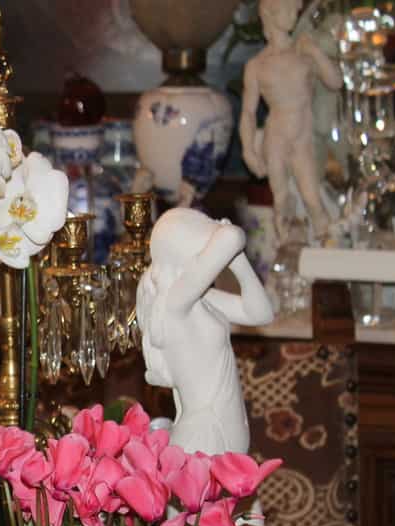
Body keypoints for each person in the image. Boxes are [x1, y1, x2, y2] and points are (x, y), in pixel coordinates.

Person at [136, 208, 274, 457]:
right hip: (205, 434)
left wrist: (238, 261)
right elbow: (231, 237)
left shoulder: (200, 300)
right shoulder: (174, 304)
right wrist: (221, 231)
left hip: (222, 426)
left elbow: (260, 314)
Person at [240, 0, 342, 245]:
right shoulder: (257, 65)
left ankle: (328, 250)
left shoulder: (303, 53)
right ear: (270, 14)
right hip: (276, 137)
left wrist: (316, 52)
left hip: (301, 137)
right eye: (287, 9)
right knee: (281, 200)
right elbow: (248, 113)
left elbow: (335, 82)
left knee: (312, 198)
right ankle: (286, 252)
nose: (294, 15)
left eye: (294, 10)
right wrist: (248, 150)